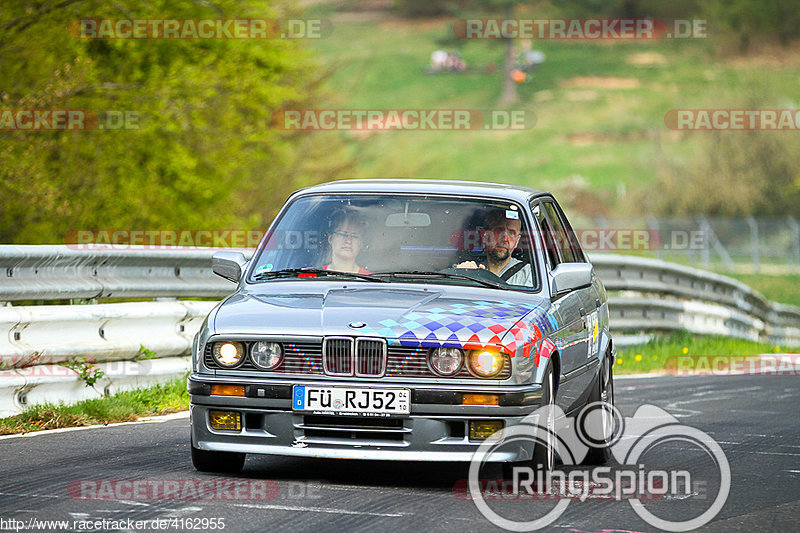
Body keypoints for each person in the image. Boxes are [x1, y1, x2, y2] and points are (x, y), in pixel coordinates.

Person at [456, 208, 532, 287]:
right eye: (499, 231)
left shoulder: (529, 275)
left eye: (511, 233)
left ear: (517, 241)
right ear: (484, 236)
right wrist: (461, 274)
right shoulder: (472, 271)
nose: (505, 239)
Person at [324, 208, 371, 274]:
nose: (348, 241)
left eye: (355, 236)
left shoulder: (372, 281)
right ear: (330, 239)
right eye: (343, 234)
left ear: (361, 244)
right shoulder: (310, 276)